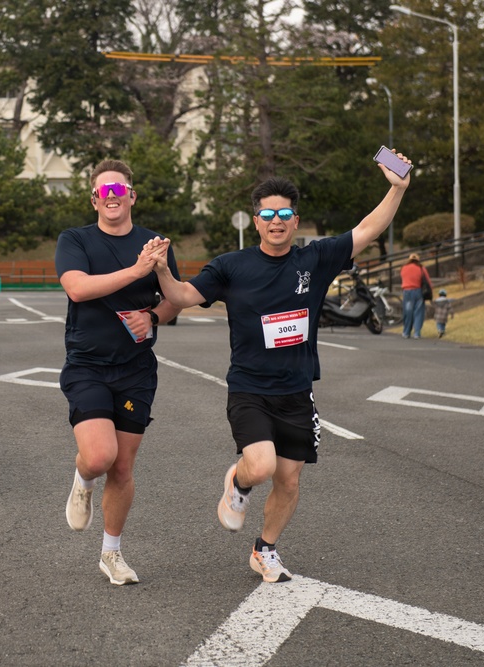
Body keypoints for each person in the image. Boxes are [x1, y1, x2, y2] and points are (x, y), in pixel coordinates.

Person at [142, 150, 413, 583]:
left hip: (297, 390)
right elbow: (183, 296)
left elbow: (367, 228)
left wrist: (397, 188)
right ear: (256, 221)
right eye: (268, 213)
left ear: (295, 219)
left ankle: (265, 549)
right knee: (262, 465)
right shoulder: (232, 266)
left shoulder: (315, 259)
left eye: (285, 213)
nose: (277, 220)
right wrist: (160, 272)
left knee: (288, 480)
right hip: (249, 388)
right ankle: (239, 481)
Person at [55, 158, 182, 585]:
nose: (112, 197)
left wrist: (155, 317)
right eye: (103, 191)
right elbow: (77, 286)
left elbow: (175, 296)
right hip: (88, 365)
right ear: (94, 199)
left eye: (119, 190)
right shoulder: (75, 239)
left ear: (132, 195)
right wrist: (135, 270)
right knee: (98, 457)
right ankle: (82, 477)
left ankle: (111, 553)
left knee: (123, 468)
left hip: (136, 370)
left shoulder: (155, 244)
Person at [400, 252, 431, 339]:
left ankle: (406, 332)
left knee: (408, 312)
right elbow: (428, 281)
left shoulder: (404, 268)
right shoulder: (421, 268)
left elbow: (403, 278)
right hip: (418, 291)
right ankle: (417, 333)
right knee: (418, 312)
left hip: (407, 292)